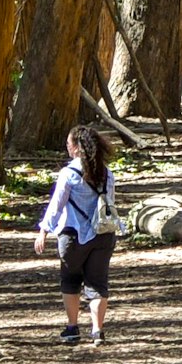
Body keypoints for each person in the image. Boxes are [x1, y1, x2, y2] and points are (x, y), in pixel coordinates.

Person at [36, 125, 119, 344]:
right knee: (98, 283)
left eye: (68, 144)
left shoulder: (69, 174)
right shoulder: (107, 173)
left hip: (72, 235)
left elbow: (57, 205)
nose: (67, 147)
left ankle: (72, 328)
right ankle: (97, 331)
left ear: (75, 148)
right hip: (103, 236)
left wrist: (44, 230)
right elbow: (109, 203)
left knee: (70, 280)